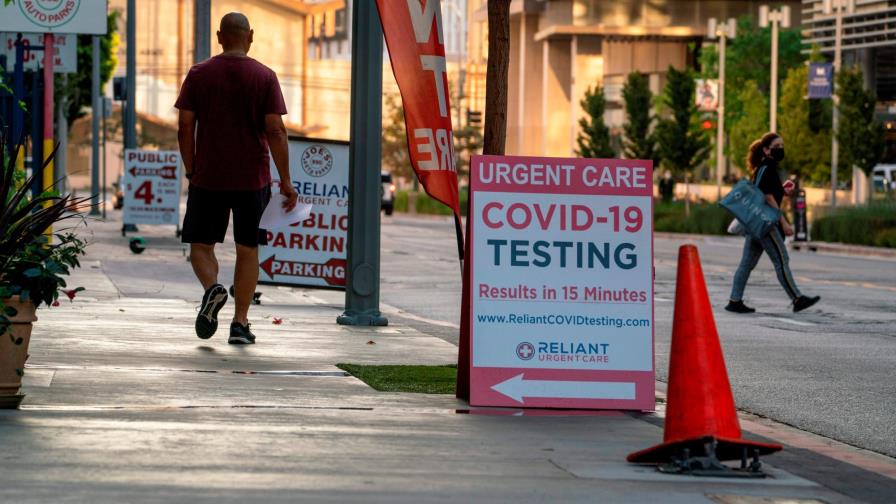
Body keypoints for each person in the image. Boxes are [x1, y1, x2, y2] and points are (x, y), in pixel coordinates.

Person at [175, 12, 298, 344]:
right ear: (251, 36)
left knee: (201, 245)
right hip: (252, 179)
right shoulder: (265, 76)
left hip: (208, 177)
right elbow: (275, 129)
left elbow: (185, 126)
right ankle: (240, 325)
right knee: (248, 250)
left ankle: (212, 289)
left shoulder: (199, 74)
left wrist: (192, 168)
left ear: (219, 36)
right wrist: (286, 180)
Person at [725, 132, 820, 314]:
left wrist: (781, 190)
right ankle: (797, 298)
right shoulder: (768, 168)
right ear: (766, 150)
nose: (780, 149)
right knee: (781, 259)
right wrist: (783, 222)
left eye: (782, 146)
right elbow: (768, 197)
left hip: (755, 223)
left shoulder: (761, 168)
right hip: (765, 223)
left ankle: (734, 300)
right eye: (776, 147)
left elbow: (766, 192)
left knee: (746, 264)